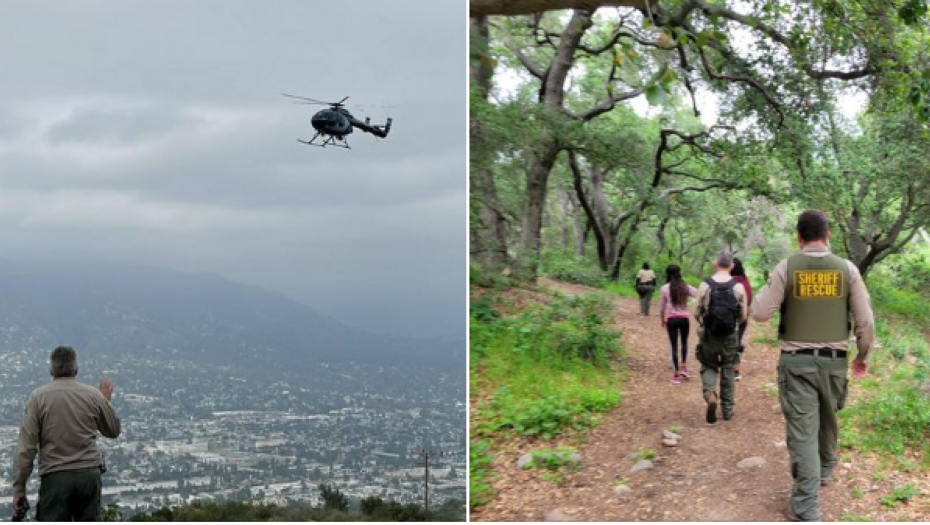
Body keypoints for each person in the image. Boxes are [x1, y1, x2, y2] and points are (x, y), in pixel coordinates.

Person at [751, 210, 873, 522]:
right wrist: (862, 356)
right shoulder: (847, 270)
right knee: (828, 418)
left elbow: (760, 313)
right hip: (834, 364)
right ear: (828, 235)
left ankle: (806, 505)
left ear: (799, 237)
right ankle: (824, 470)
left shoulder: (787, 267)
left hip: (797, 364)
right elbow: (865, 321)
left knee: (803, 432)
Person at [12, 346, 121, 522]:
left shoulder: (38, 398)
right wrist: (106, 402)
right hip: (88, 476)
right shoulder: (93, 395)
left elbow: (26, 449)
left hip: (55, 477)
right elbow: (113, 430)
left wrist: (19, 490)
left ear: (51, 370)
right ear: (75, 369)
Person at [693, 251, 747, 424]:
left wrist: (705, 323)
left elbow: (696, 313)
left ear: (715, 264)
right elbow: (743, 316)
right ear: (732, 266)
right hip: (730, 336)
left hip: (709, 336)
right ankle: (727, 410)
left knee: (709, 365)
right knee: (728, 368)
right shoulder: (738, 287)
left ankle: (710, 394)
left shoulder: (705, 285)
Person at [659, 264, 697, 384]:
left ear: (667, 274)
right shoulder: (685, 286)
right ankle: (684, 367)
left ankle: (676, 375)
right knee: (684, 343)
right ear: (679, 273)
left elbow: (662, 307)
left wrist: (662, 320)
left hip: (671, 319)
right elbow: (697, 293)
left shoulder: (664, 288)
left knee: (674, 346)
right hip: (684, 319)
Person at [730, 257, 753, 381]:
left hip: (728, 316)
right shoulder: (745, 280)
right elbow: (749, 298)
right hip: (743, 316)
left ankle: (726, 366)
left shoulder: (727, 281)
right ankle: (736, 370)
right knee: (737, 341)